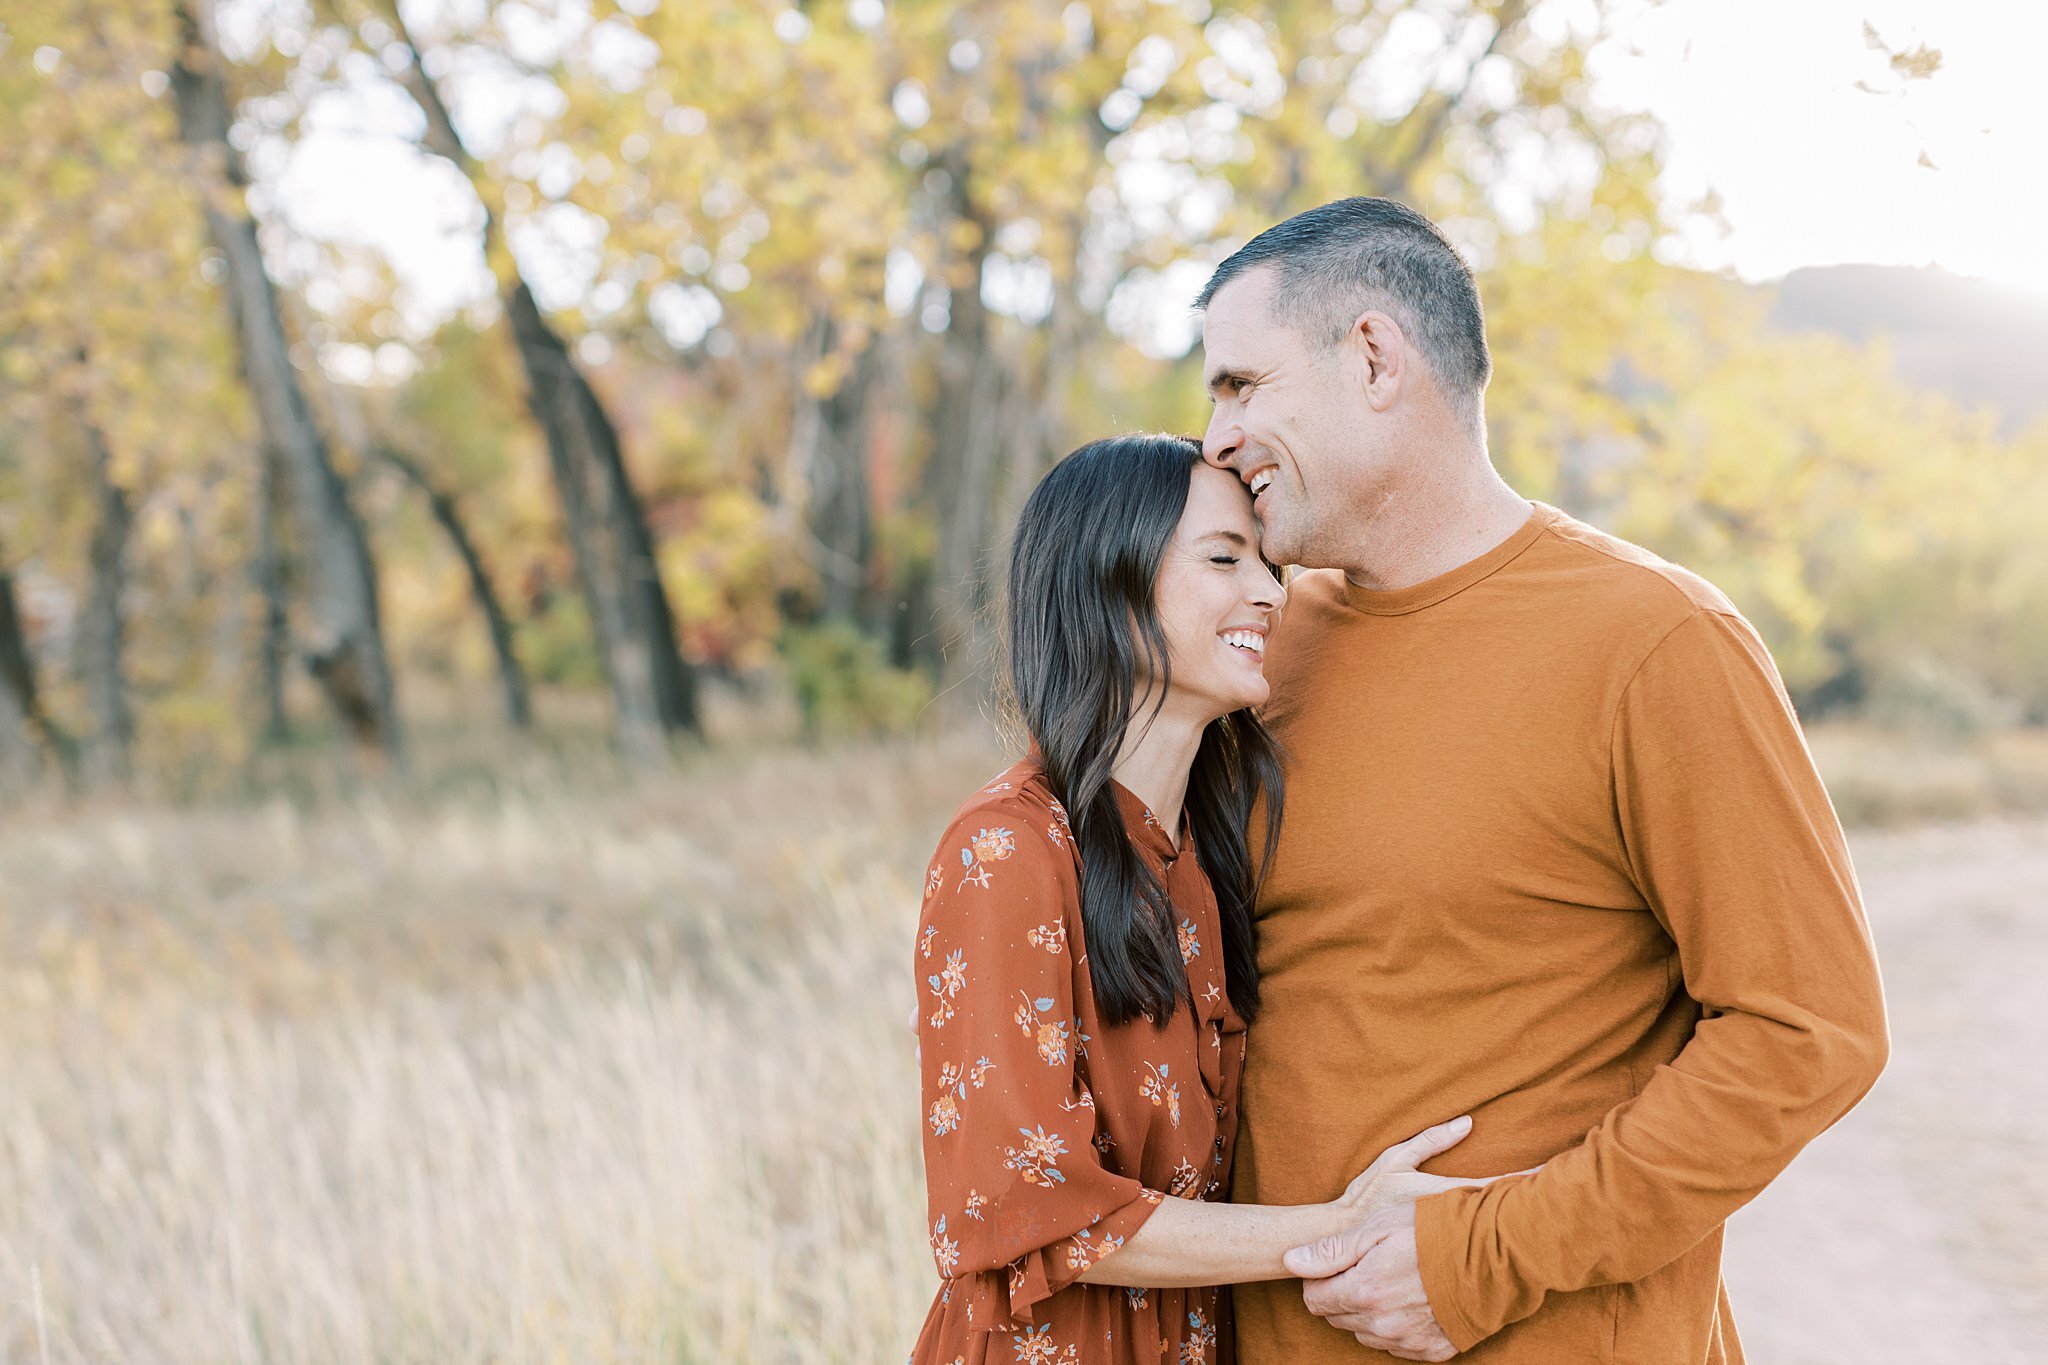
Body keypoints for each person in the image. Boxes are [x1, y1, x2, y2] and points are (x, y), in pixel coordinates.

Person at [1196, 197, 1891, 1363]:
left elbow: (1805, 1028)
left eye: (1238, 384)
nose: (1214, 437)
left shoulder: (1652, 641)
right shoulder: (1251, 642)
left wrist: (1489, 1252)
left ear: (1372, 358)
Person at [907, 433, 1526, 1365]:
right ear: (1106, 584)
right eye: (1224, 558)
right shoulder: (1008, 849)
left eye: (1269, 563)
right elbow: (1021, 1206)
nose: (1272, 593)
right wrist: (1339, 1228)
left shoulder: (1201, 857)